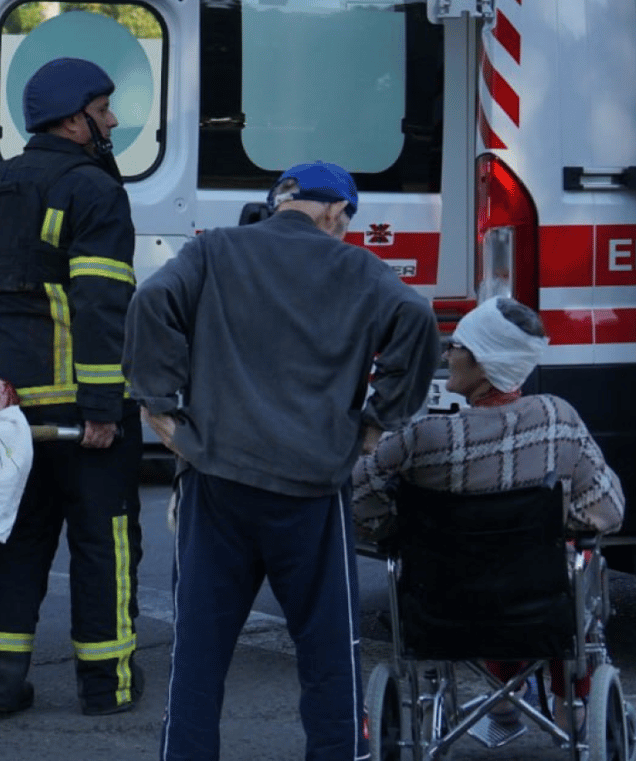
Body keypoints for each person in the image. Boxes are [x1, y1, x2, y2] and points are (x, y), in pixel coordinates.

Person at [122, 160, 441, 760]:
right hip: (311, 489)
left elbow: (151, 299)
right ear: (334, 211)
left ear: (280, 203)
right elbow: (418, 320)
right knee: (328, 653)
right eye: (347, 218)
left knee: (198, 653)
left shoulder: (214, 250)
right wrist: (376, 421)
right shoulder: (360, 269)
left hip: (217, 479)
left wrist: (158, 405)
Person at [0, 57, 143, 717]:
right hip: (84, 416)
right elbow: (101, 305)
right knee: (103, 546)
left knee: (15, 544)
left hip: (12, 418)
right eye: (103, 109)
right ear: (73, 120)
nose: (111, 121)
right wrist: (103, 407)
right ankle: (107, 686)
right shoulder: (93, 191)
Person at [352, 296, 624, 736]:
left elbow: (359, 501)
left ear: (482, 362)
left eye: (456, 346)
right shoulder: (559, 420)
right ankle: (568, 702)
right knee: (567, 565)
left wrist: (399, 526)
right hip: (538, 602)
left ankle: (502, 701)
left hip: (442, 603)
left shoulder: (422, 438)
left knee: (485, 569)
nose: (447, 354)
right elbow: (610, 510)